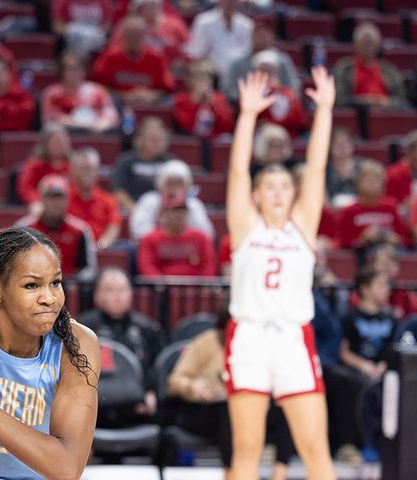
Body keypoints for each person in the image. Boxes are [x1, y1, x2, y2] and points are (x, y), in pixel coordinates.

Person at [223, 67, 337, 480]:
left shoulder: (303, 225)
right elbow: (236, 172)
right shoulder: (245, 225)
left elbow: (318, 168)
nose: (277, 193)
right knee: (247, 454)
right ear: (256, 195)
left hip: (293, 338)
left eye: (284, 186)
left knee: (315, 452)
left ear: (294, 193)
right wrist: (248, 115)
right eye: (268, 186)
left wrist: (324, 109)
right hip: (249, 338)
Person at [0, 227, 101, 479]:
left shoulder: (76, 344)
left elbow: (67, 467)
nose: (49, 298)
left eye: (56, 283)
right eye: (32, 285)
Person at [168, 300, 295, 480]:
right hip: (207, 410)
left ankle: (279, 474)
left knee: (286, 410)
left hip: (252, 409)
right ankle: (233, 474)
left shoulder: (262, 345)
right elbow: (176, 380)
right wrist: (194, 387)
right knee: (231, 410)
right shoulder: (208, 341)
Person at [77, 268, 166, 421]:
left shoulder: (147, 328)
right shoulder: (82, 328)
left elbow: (157, 366)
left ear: (131, 294)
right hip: (93, 407)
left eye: (123, 290)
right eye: (110, 290)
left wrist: (151, 392)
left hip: (137, 405)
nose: (118, 296)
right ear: (97, 296)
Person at [16, 175, 98, 279]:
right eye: (51, 197)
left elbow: (89, 268)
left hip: (68, 287)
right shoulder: (24, 228)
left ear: (68, 199)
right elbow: (15, 264)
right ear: (41, 198)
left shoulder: (80, 230)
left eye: (60, 197)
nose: (56, 203)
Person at [90, 15, 174, 106]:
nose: (134, 40)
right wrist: (124, 96)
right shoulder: (111, 56)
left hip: (149, 103)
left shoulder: (156, 57)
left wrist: (152, 95)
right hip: (119, 103)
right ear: (123, 36)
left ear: (145, 36)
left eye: (138, 36)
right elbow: (98, 86)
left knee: (170, 101)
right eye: (130, 36)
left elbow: (167, 87)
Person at [129, 159, 215, 241]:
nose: (174, 188)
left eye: (178, 183)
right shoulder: (149, 201)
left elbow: (207, 234)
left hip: (185, 250)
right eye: (171, 183)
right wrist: (167, 240)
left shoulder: (193, 204)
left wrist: (180, 240)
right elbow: (138, 232)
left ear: (186, 185)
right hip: (155, 250)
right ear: (162, 184)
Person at [137, 193, 217, 278]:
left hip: (195, 287)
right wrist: (161, 284)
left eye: (182, 212)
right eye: (173, 212)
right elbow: (147, 266)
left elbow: (209, 265)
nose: (178, 216)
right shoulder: (150, 239)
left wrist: (203, 285)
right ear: (163, 214)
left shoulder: (201, 238)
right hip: (161, 288)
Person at [335, 160, 409, 251]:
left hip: (389, 251)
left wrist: (390, 237)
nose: (372, 184)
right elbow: (344, 243)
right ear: (359, 183)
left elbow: (403, 239)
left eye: (376, 180)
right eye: (368, 180)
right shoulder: (349, 211)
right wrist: (364, 238)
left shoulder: (391, 207)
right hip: (361, 254)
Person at [341, 267, 397, 385]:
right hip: (356, 373)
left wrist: (384, 364)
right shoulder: (349, 318)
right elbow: (343, 352)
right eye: (381, 285)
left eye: (387, 285)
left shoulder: (390, 318)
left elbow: (394, 348)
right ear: (365, 289)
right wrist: (363, 365)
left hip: (383, 370)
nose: (387, 290)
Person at [39, 52, 118, 133]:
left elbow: (111, 115)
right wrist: (81, 125)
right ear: (62, 71)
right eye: (71, 69)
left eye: (80, 68)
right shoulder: (52, 93)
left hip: (96, 134)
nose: (76, 73)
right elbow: (50, 119)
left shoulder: (98, 91)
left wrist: (102, 123)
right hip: (66, 135)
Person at [222, 19, 299, 102]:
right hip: (246, 104)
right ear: (252, 36)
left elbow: (293, 85)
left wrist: (280, 97)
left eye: (265, 34)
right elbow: (230, 88)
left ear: (271, 36)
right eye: (259, 34)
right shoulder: (238, 62)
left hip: (277, 103)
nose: (262, 38)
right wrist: (248, 98)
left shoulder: (281, 60)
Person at [333, 23, 406, 108]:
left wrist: (384, 102)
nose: (368, 47)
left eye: (370, 43)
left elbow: (401, 99)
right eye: (364, 43)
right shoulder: (344, 68)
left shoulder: (389, 70)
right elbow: (340, 99)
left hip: (385, 113)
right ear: (356, 45)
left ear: (378, 45)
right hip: (357, 114)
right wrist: (364, 102)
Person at [183, 0, 253, 81]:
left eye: (234, 1)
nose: (230, 3)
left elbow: (247, 51)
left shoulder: (246, 24)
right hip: (212, 69)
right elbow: (197, 51)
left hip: (239, 70)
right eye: (227, 1)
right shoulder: (204, 21)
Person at [111, 116, 172, 209]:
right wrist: (136, 211)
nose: (156, 143)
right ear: (141, 139)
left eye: (159, 140)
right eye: (153, 139)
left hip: (163, 212)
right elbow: (118, 192)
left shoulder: (169, 163)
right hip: (133, 209)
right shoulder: (126, 161)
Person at [68, 148, 121, 248]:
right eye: (83, 168)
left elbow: (113, 226)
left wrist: (102, 244)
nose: (87, 173)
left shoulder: (108, 200)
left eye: (91, 169)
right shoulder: (65, 197)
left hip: (99, 249)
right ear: (74, 171)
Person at [173, 60, 234, 139]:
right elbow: (186, 127)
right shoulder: (181, 99)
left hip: (215, 141)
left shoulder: (219, 98)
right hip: (192, 141)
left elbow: (227, 127)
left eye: (208, 77)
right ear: (189, 80)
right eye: (199, 77)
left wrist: (213, 105)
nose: (205, 81)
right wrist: (195, 102)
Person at [16, 124, 74, 206]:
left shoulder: (74, 165)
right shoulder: (35, 165)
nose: (60, 146)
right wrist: (37, 202)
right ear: (46, 144)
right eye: (55, 142)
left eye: (62, 141)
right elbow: (26, 188)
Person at [325, 127, 363, 207]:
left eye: (346, 144)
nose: (343, 148)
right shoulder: (324, 169)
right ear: (329, 147)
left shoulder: (363, 167)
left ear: (352, 145)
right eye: (338, 145)